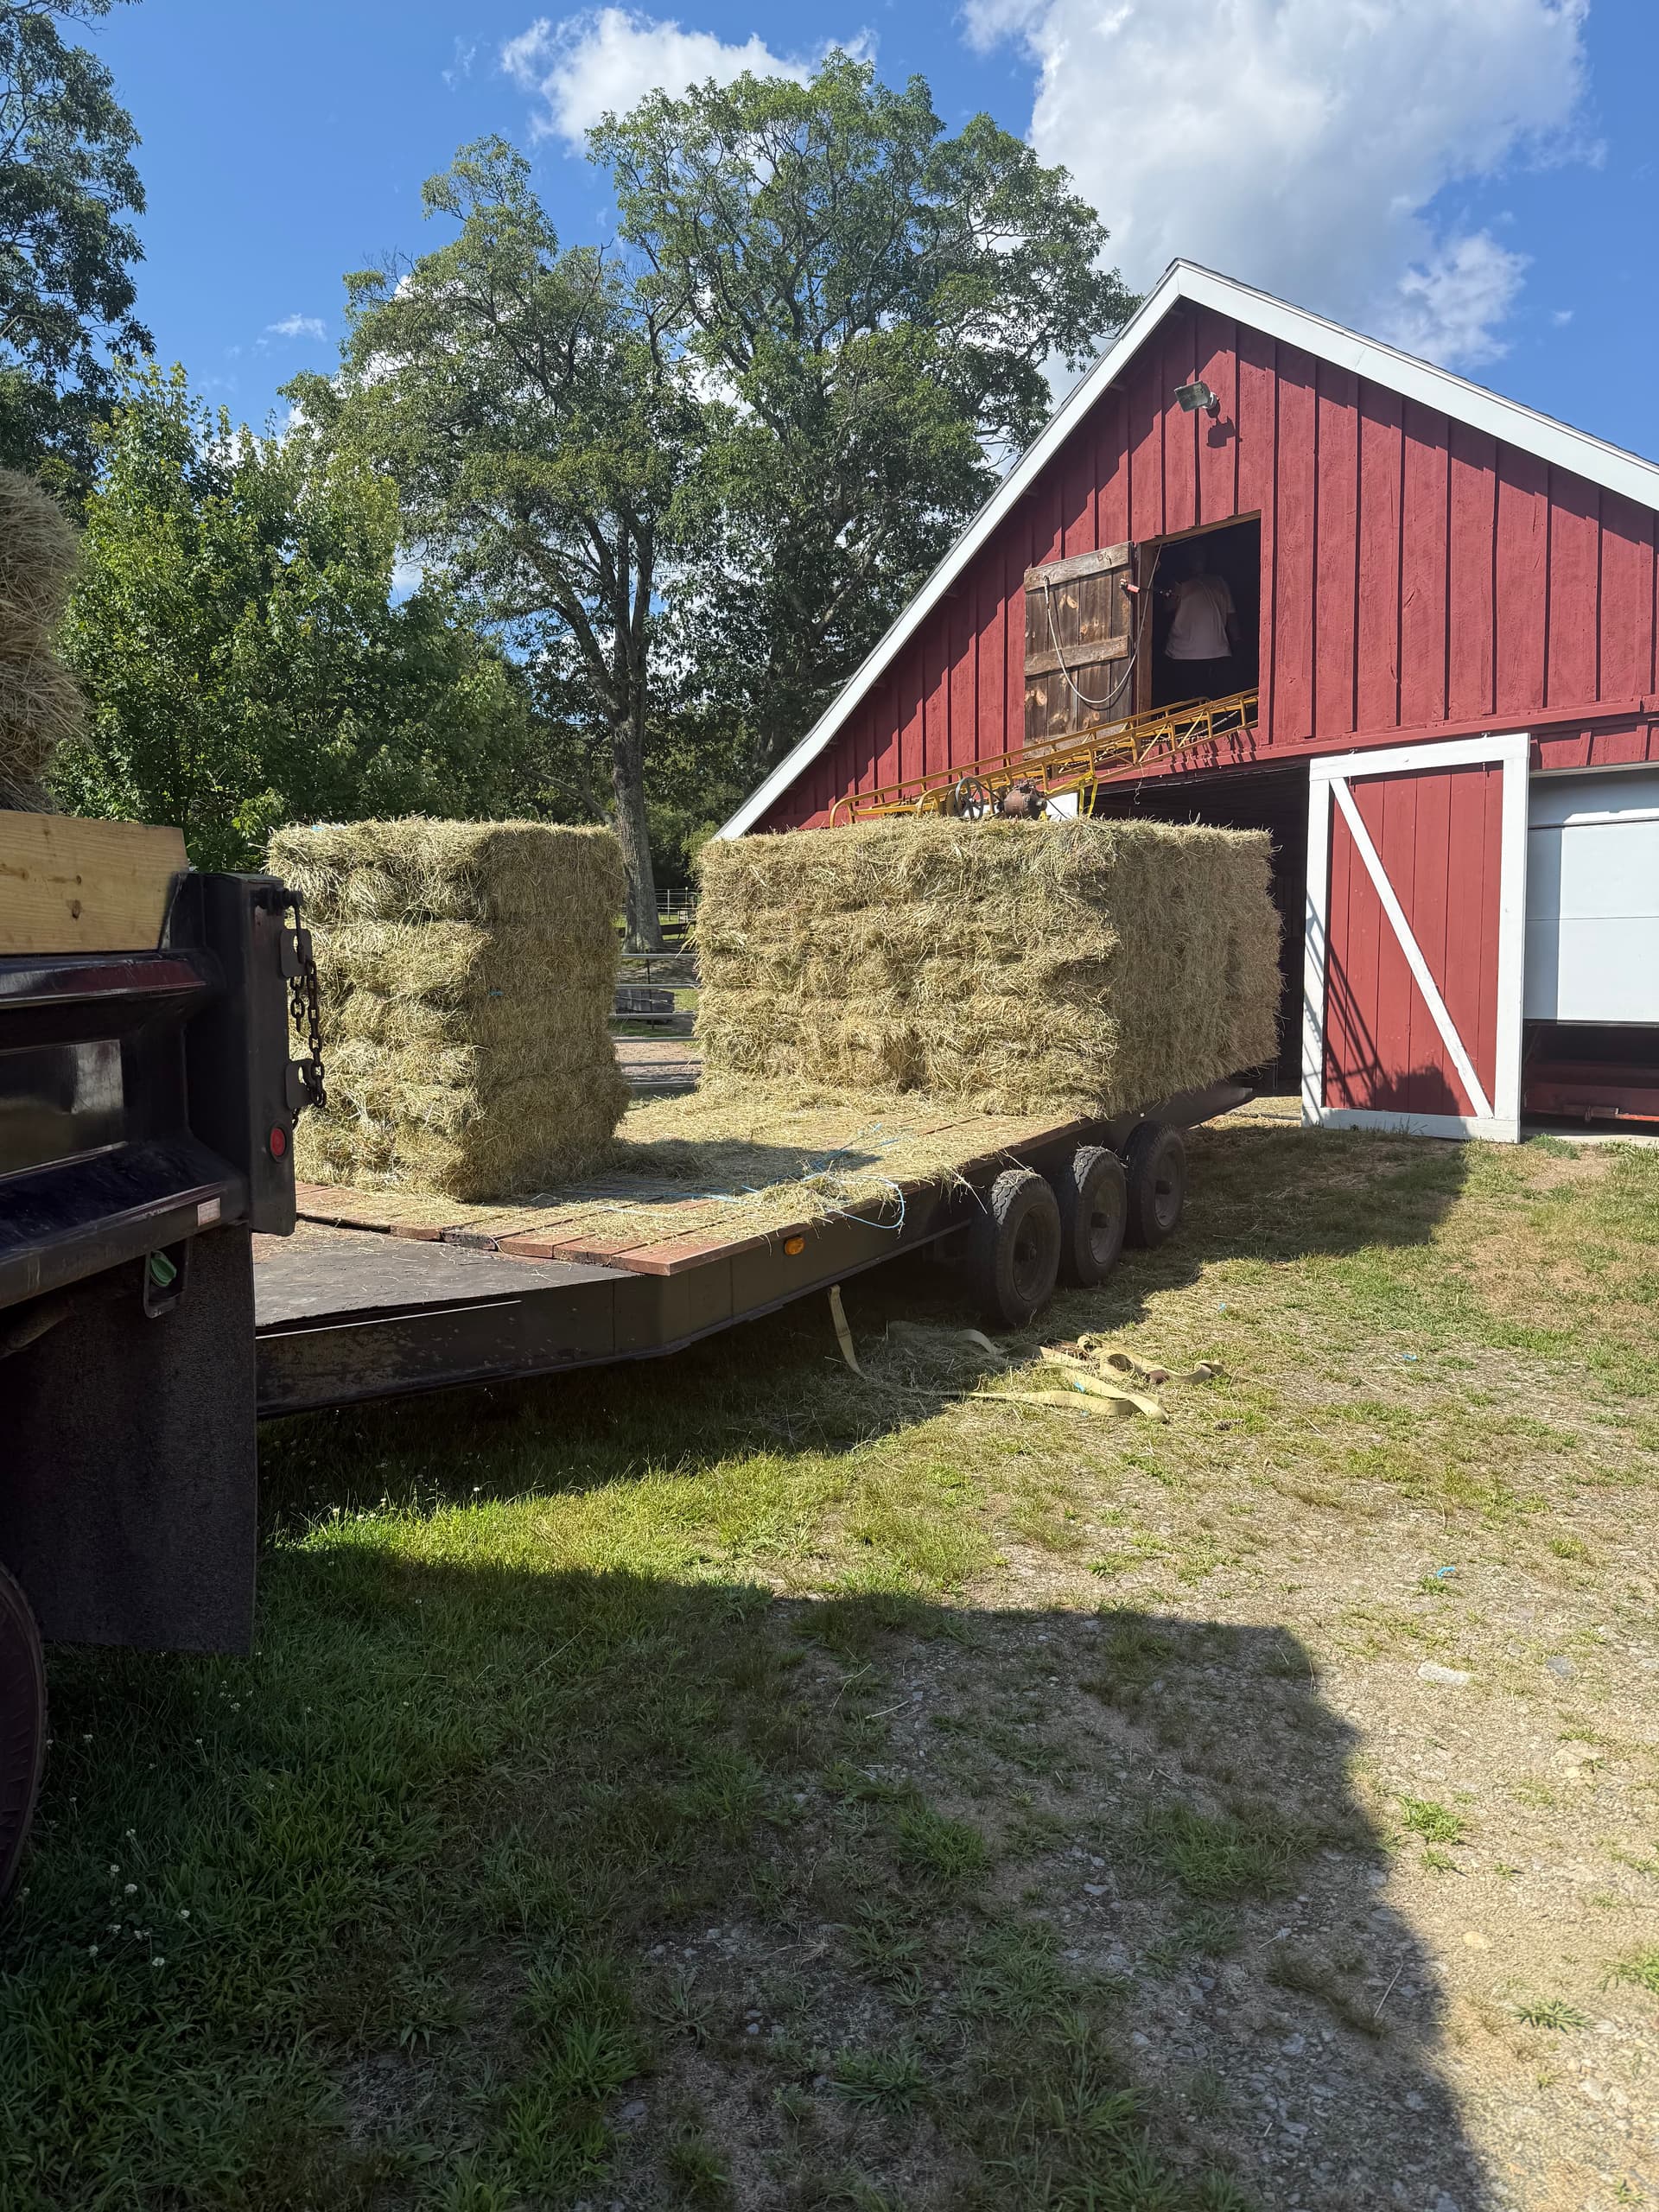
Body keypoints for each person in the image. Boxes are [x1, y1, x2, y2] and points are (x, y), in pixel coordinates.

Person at [1160, 542, 1239, 697]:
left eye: (1201, 554)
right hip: (1182, 654)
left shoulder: (1219, 582)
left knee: (1219, 703)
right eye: (1193, 554)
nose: (1198, 558)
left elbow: (1231, 615)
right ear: (1187, 559)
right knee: (1189, 703)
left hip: (1218, 652)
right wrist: (1176, 585)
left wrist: (1238, 640)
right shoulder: (1180, 584)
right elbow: (1167, 608)